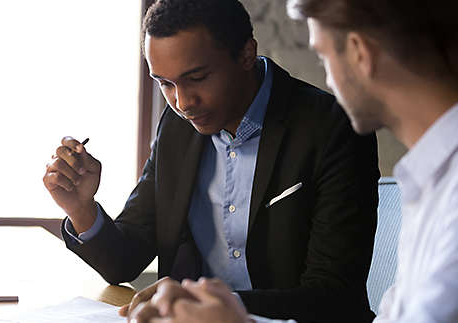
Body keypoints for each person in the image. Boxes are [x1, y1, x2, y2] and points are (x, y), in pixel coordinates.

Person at [43, 0, 379, 322]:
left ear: (247, 54)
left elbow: (335, 297)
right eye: (164, 84)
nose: (183, 102)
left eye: (197, 78)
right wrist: (81, 209)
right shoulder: (177, 126)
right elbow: (125, 262)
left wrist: (210, 305)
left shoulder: (333, 127)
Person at [133, 0, 458, 322]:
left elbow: (334, 293)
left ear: (361, 53)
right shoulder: (428, 183)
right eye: (165, 83)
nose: (328, 80)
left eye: (322, 55)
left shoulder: (446, 198)